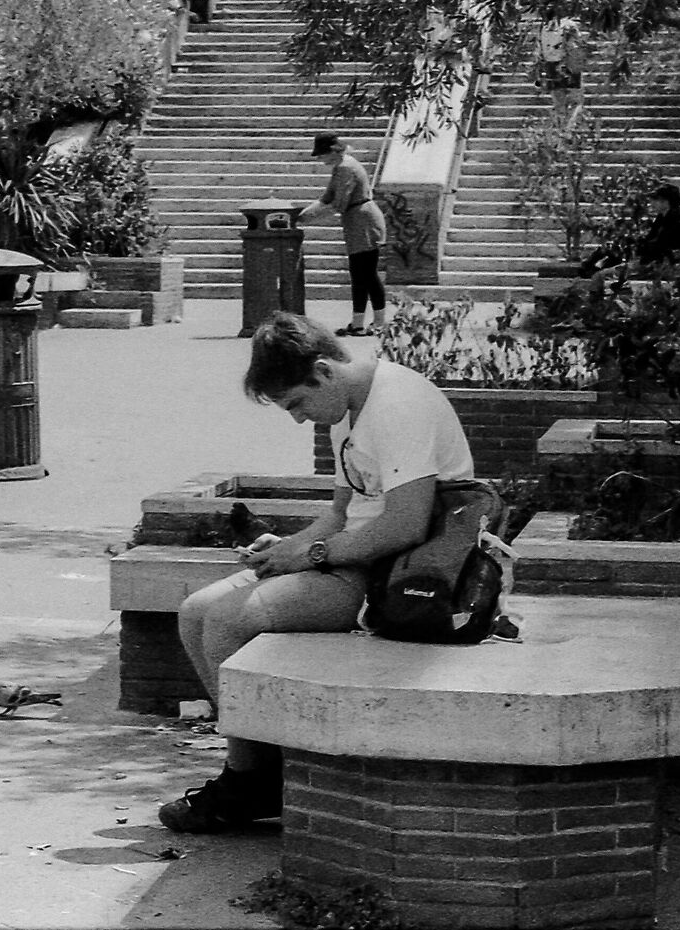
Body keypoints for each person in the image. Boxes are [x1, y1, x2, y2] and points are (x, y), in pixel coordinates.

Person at [161, 312, 481, 834]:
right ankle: (262, 766)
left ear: (324, 372)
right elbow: (339, 514)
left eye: (297, 403)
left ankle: (247, 780)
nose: (298, 418)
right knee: (195, 612)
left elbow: (405, 524)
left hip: (394, 581)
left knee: (225, 621)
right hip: (352, 561)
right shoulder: (350, 412)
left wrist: (310, 557)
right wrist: (287, 546)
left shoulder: (397, 405)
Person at [297, 133, 387, 336]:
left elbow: (338, 203)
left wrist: (311, 217)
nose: (320, 160)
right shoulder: (341, 166)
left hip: (363, 220)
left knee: (366, 273)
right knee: (360, 273)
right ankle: (358, 323)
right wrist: (304, 213)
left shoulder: (346, 168)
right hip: (356, 219)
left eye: (321, 155)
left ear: (332, 151)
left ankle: (377, 322)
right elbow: (327, 196)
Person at [578, 181, 680, 278]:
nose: (651, 203)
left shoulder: (676, 220)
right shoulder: (663, 217)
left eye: (655, 200)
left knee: (616, 258)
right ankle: (591, 267)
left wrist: (636, 246)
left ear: (666, 202)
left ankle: (594, 271)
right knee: (615, 248)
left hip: (664, 260)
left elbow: (660, 244)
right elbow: (652, 240)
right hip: (657, 257)